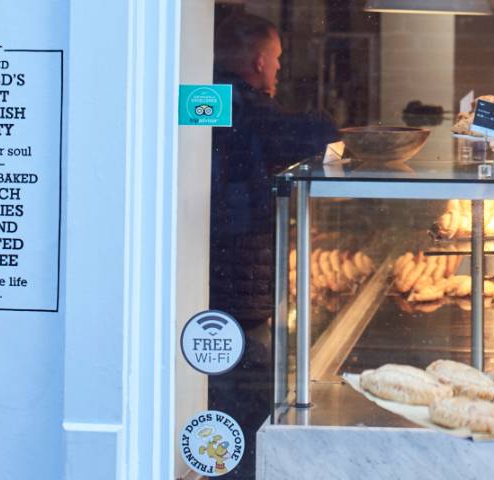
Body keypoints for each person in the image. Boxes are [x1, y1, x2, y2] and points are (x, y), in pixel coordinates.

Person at [209, 12, 338, 480]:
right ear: (260, 61)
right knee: (241, 391)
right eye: (278, 60)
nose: (280, 70)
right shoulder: (245, 107)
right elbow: (317, 135)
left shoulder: (212, 98)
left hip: (222, 284)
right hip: (234, 289)